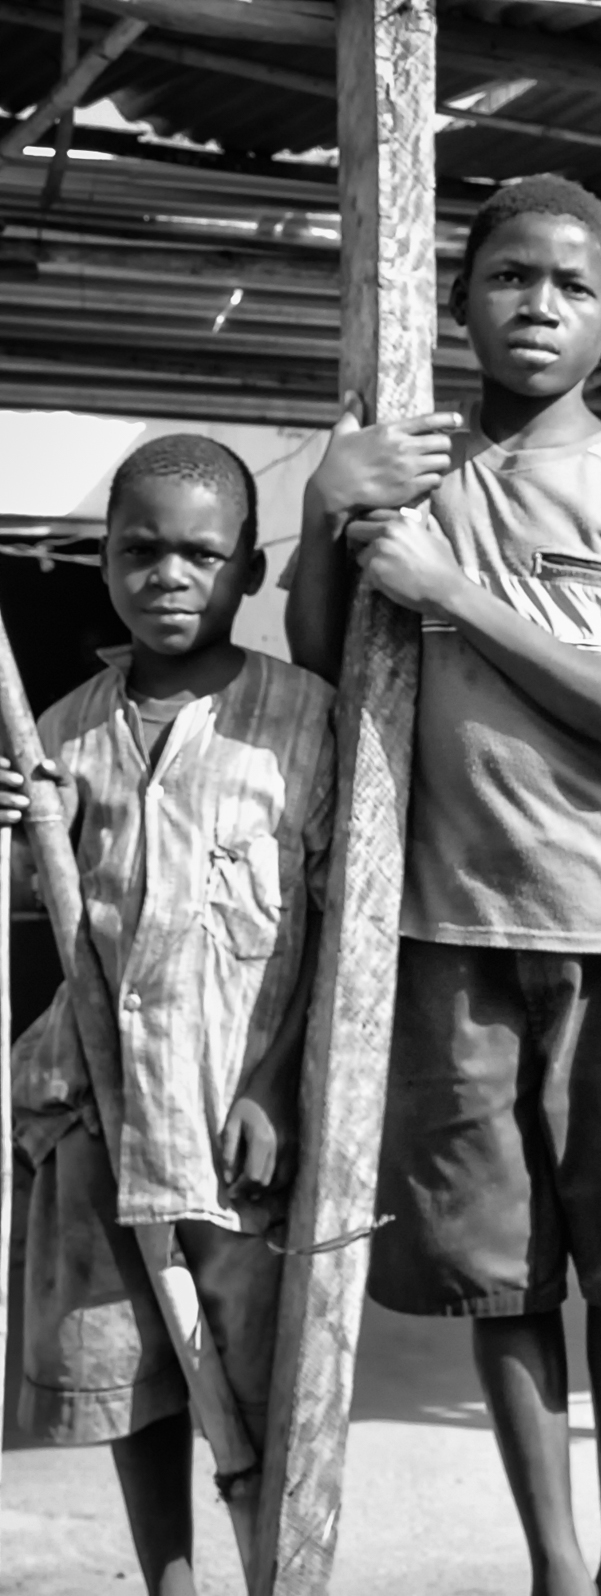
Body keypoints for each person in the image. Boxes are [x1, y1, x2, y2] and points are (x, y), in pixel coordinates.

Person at [282, 173, 601, 1596]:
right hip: (441, 925)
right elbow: (323, 666)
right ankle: (552, 1569)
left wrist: (452, 594)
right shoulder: (405, 469)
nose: (539, 304)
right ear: (459, 300)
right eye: (509, 278)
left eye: (571, 286)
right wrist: (325, 508)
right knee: (499, 1267)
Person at [2, 435, 333, 1596]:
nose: (169, 577)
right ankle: (172, 1584)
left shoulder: (305, 723)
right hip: (98, 1107)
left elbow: (337, 927)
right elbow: (39, 907)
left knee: (258, 1379)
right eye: (141, 552)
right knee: (132, 1375)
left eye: (201, 554)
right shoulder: (60, 734)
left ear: (251, 570)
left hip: (239, 1119)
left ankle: (273, 1574)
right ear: (102, 562)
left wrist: (279, 1086)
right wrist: (15, 827)